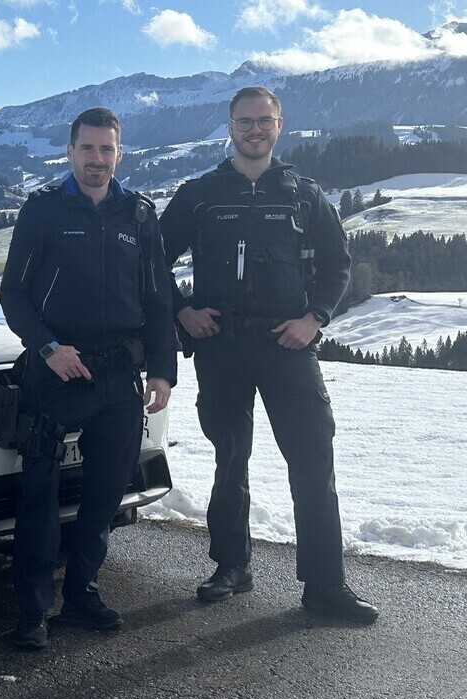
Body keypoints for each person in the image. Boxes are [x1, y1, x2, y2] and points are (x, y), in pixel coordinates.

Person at [159, 86, 379, 623]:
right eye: (245, 122)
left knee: (312, 460)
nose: (255, 130)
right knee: (230, 458)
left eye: (264, 121)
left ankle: (325, 586)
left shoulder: (304, 195)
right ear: (229, 127)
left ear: (279, 125)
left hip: (288, 346)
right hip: (221, 346)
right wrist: (183, 311)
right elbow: (152, 262)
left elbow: (338, 265)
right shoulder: (200, 194)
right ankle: (231, 567)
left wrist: (315, 318)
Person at [0, 107, 177, 650]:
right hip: (56, 371)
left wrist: (163, 370)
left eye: (106, 149)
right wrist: (47, 348)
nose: (96, 159)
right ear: (70, 151)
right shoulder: (44, 211)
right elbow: (14, 293)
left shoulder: (139, 216)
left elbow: (158, 299)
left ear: (119, 153)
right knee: (40, 495)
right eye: (87, 148)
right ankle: (33, 611)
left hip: (118, 375)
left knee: (105, 493)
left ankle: (81, 593)